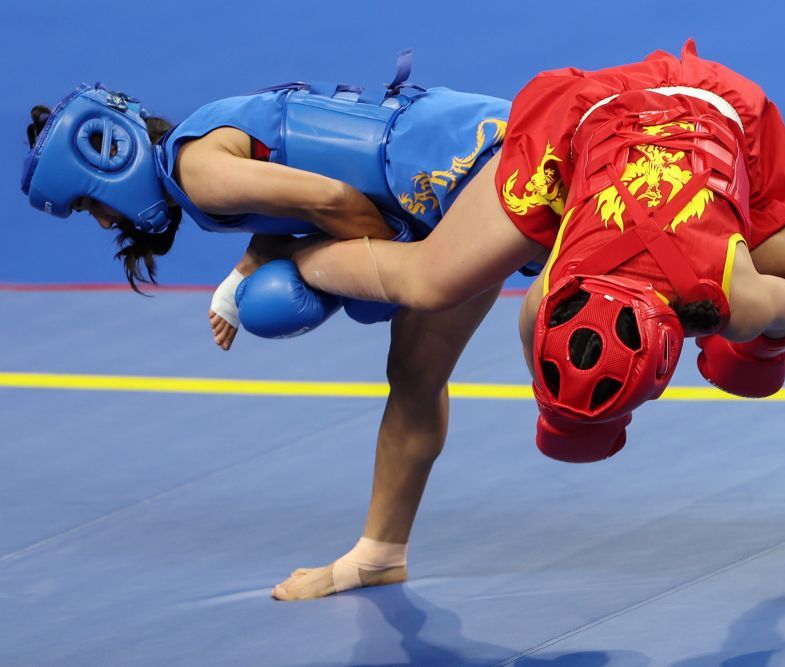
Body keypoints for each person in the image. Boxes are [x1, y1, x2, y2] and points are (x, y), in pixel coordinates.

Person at [254, 39, 785, 469]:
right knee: (427, 283)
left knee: (757, 360)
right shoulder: (546, 304)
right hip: (627, 114)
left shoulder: (732, 297)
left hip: (694, 115)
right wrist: (298, 259)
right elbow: (407, 281)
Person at [19, 55, 521, 600]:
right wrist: (249, 268)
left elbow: (333, 200)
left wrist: (379, 265)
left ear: (109, 164)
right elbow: (299, 186)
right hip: (449, 168)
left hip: (463, 164)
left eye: (89, 203)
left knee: (546, 323)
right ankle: (378, 556)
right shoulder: (197, 145)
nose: (103, 221)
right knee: (414, 376)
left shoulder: (198, 174)